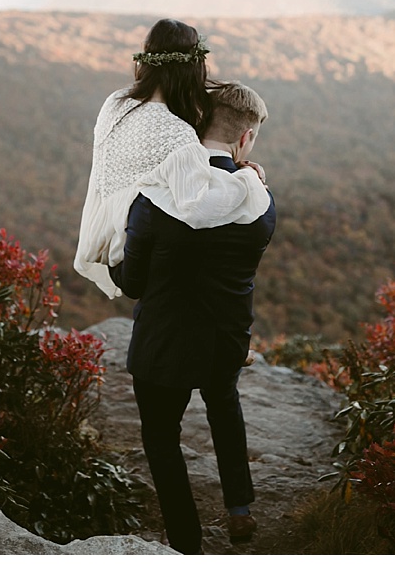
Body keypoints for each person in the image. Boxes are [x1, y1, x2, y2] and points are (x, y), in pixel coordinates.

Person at [110, 81, 277, 554]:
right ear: (245, 140)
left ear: (196, 125)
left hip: (163, 345)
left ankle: (186, 543)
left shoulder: (154, 200)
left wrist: (112, 261)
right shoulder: (259, 202)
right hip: (225, 339)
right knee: (224, 406)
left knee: (162, 440)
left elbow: (134, 284)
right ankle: (239, 510)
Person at [74, 18, 270, 299]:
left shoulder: (116, 102)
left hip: (98, 236)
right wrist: (246, 179)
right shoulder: (178, 134)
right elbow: (198, 209)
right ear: (193, 70)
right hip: (129, 256)